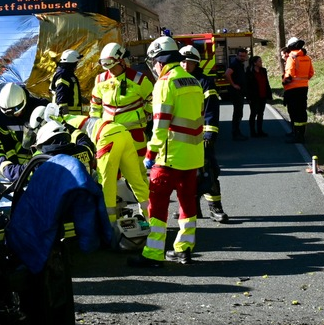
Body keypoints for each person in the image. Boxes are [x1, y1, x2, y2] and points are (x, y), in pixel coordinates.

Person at [130, 36, 205, 269]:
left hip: (168, 156)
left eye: (153, 63)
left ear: (160, 62)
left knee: (158, 205)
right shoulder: (192, 81)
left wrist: (150, 155)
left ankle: (153, 254)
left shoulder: (165, 83)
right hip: (192, 155)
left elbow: (160, 124)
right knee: (187, 204)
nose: (153, 68)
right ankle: (184, 250)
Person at [65, 114, 149, 226]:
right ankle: (152, 218)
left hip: (107, 136)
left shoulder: (64, 125)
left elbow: (81, 147)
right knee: (137, 181)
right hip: (122, 131)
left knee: (106, 185)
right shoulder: (71, 117)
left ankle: (110, 225)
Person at [181, 45, 229, 223]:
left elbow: (211, 110)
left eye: (190, 62)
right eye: (183, 62)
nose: (186, 65)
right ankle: (191, 209)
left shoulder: (205, 82)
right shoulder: (176, 80)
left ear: (196, 63)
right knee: (185, 175)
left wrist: (209, 135)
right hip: (181, 137)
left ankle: (215, 208)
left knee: (208, 172)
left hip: (201, 136)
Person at [90, 42, 154, 157]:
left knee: (138, 171)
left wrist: (144, 111)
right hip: (109, 132)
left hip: (134, 134)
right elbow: (96, 104)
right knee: (112, 169)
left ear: (122, 62)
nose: (111, 71)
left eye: (113, 67)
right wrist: (95, 125)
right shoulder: (100, 80)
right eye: (108, 68)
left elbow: (154, 101)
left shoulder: (139, 80)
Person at [0, 82, 33, 166]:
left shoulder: (38, 109)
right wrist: (13, 162)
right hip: (19, 162)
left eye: (17, 111)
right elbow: (6, 140)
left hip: (39, 158)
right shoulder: (2, 117)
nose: (14, 115)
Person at [282, 37, 314, 144]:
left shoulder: (292, 58)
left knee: (294, 112)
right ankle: (301, 135)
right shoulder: (307, 58)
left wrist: (285, 81)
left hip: (292, 89)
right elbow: (311, 73)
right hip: (303, 88)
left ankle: (296, 136)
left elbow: (289, 75)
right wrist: (303, 81)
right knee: (301, 111)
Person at [225, 47, 253, 139]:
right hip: (236, 93)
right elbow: (227, 74)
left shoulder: (240, 64)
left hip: (240, 92)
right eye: (240, 56)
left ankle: (237, 132)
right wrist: (233, 85)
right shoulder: (235, 64)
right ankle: (236, 133)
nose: (242, 57)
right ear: (237, 56)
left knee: (239, 113)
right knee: (237, 113)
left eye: (244, 56)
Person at [50, 49, 85, 115]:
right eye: (76, 63)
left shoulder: (66, 74)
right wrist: (65, 115)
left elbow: (68, 91)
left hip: (73, 117)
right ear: (72, 63)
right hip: (69, 117)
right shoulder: (63, 75)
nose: (77, 65)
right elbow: (61, 94)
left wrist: (80, 98)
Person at [249, 55, 271, 137]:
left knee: (261, 113)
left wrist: (269, 94)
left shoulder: (263, 71)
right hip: (254, 96)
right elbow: (248, 86)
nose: (261, 63)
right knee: (253, 113)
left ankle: (260, 130)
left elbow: (266, 82)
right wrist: (249, 97)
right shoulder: (249, 72)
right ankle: (252, 132)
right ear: (254, 63)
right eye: (259, 61)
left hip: (263, 95)